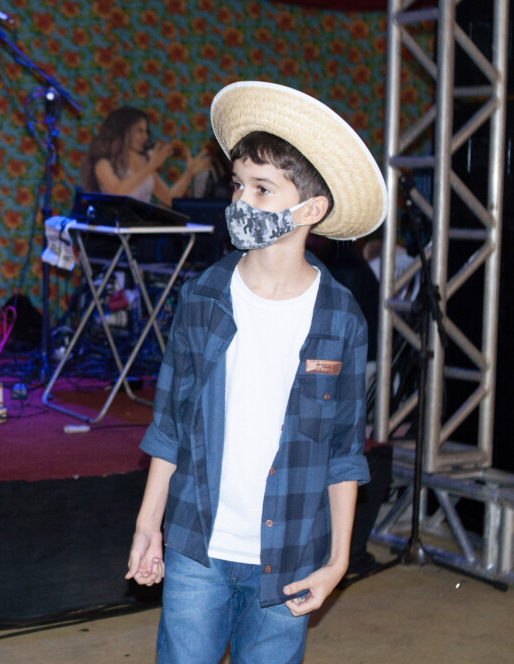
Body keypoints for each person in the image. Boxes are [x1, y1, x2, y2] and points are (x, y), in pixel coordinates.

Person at [126, 81, 388, 663]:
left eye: (263, 188)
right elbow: (170, 424)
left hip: (292, 553)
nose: (242, 201)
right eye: (238, 184)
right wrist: (149, 524)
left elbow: (344, 451)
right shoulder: (204, 296)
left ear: (312, 210)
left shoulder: (341, 317)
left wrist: (337, 560)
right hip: (197, 545)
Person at [80, 106, 210, 205]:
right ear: (124, 131)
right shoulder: (103, 163)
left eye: (146, 131)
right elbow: (118, 191)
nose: (145, 136)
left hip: (140, 227)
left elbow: (169, 198)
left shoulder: (144, 163)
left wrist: (188, 173)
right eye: (139, 131)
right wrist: (150, 167)